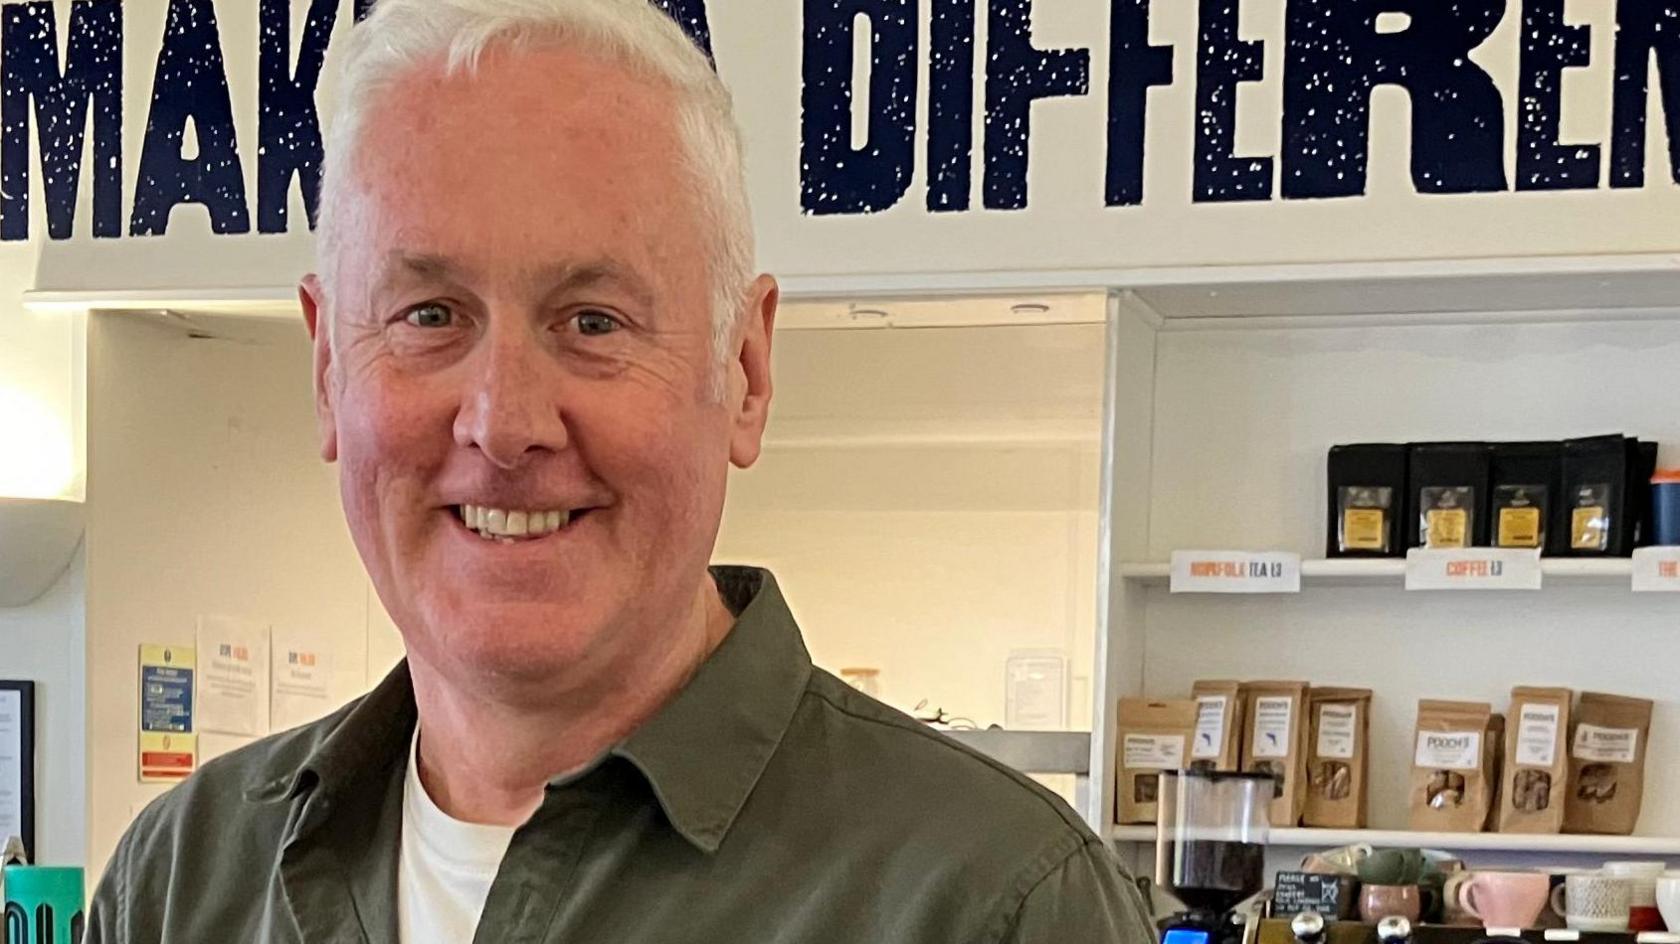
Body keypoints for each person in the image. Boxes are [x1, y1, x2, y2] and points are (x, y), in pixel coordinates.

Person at [86, 1, 1156, 940]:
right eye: (428, 315)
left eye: (593, 320)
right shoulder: (182, 882)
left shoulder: (990, 902)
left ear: (744, 367)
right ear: (326, 365)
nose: (504, 423)